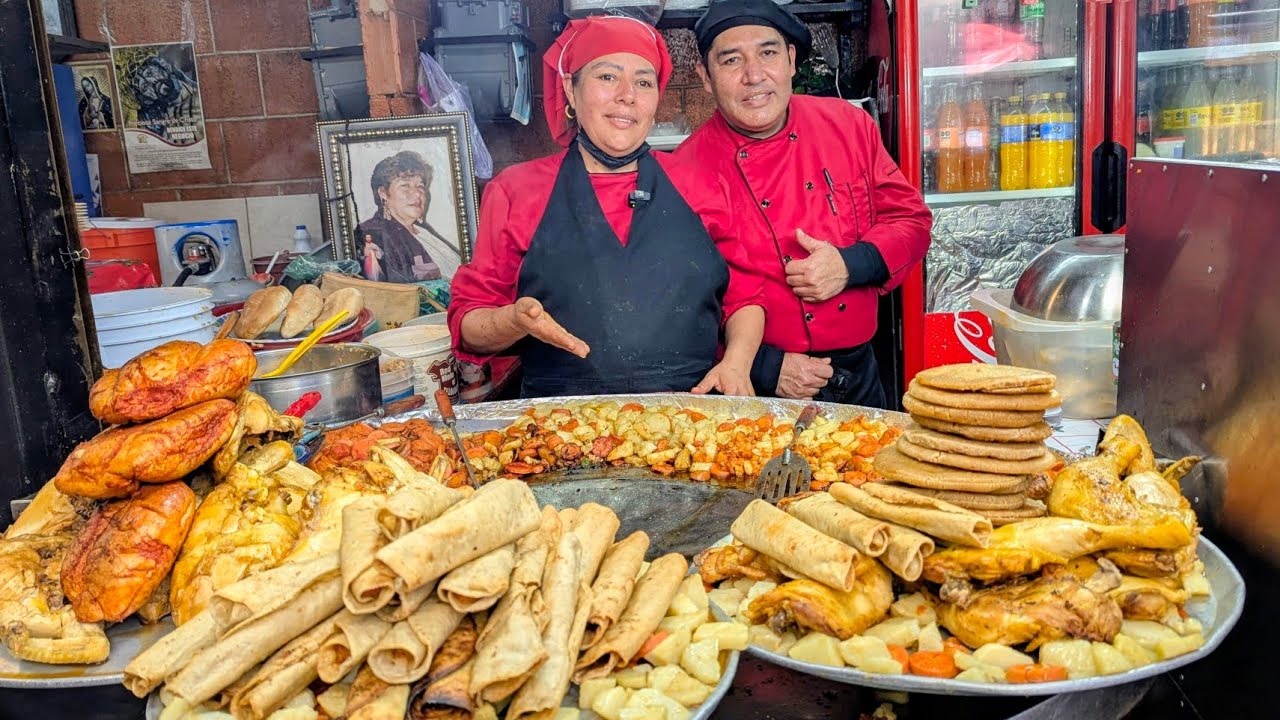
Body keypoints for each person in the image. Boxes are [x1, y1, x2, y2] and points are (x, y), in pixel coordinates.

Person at [447, 15, 765, 398]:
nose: (627, 95)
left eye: (643, 82)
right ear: (570, 88)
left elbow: (745, 299)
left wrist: (736, 363)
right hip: (557, 423)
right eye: (608, 77)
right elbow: (469, 323)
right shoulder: (516, 190)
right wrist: (513, 321)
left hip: (689, 414)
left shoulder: (702, 183)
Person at [678, 0, 933, 408]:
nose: (754, 75)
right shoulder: (682, 171)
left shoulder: (849, 125)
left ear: (791, 60)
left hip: (861, 374)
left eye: (768, 52)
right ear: (705, 78)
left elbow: (911, 220)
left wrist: (851, 265)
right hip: (752, 386)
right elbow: (677, 304)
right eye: (731, 61)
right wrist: (763, 365)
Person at [355, 150, 460, 283]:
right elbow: (383, 295)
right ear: (383, 193)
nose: (417, 194)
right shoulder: (371, 234)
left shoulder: (424, 231)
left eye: (420, 186)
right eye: (405, 185)